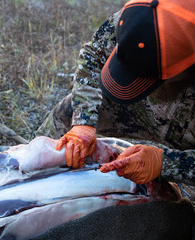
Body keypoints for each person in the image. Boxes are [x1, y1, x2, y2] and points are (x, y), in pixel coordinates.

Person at [37, 0, 195, 186]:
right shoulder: (143, 13)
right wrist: (84, 122)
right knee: (69, 111)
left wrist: (166, 164)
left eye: (144, 77)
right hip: (147, 111)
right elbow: (93, 53)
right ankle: (34, 170)